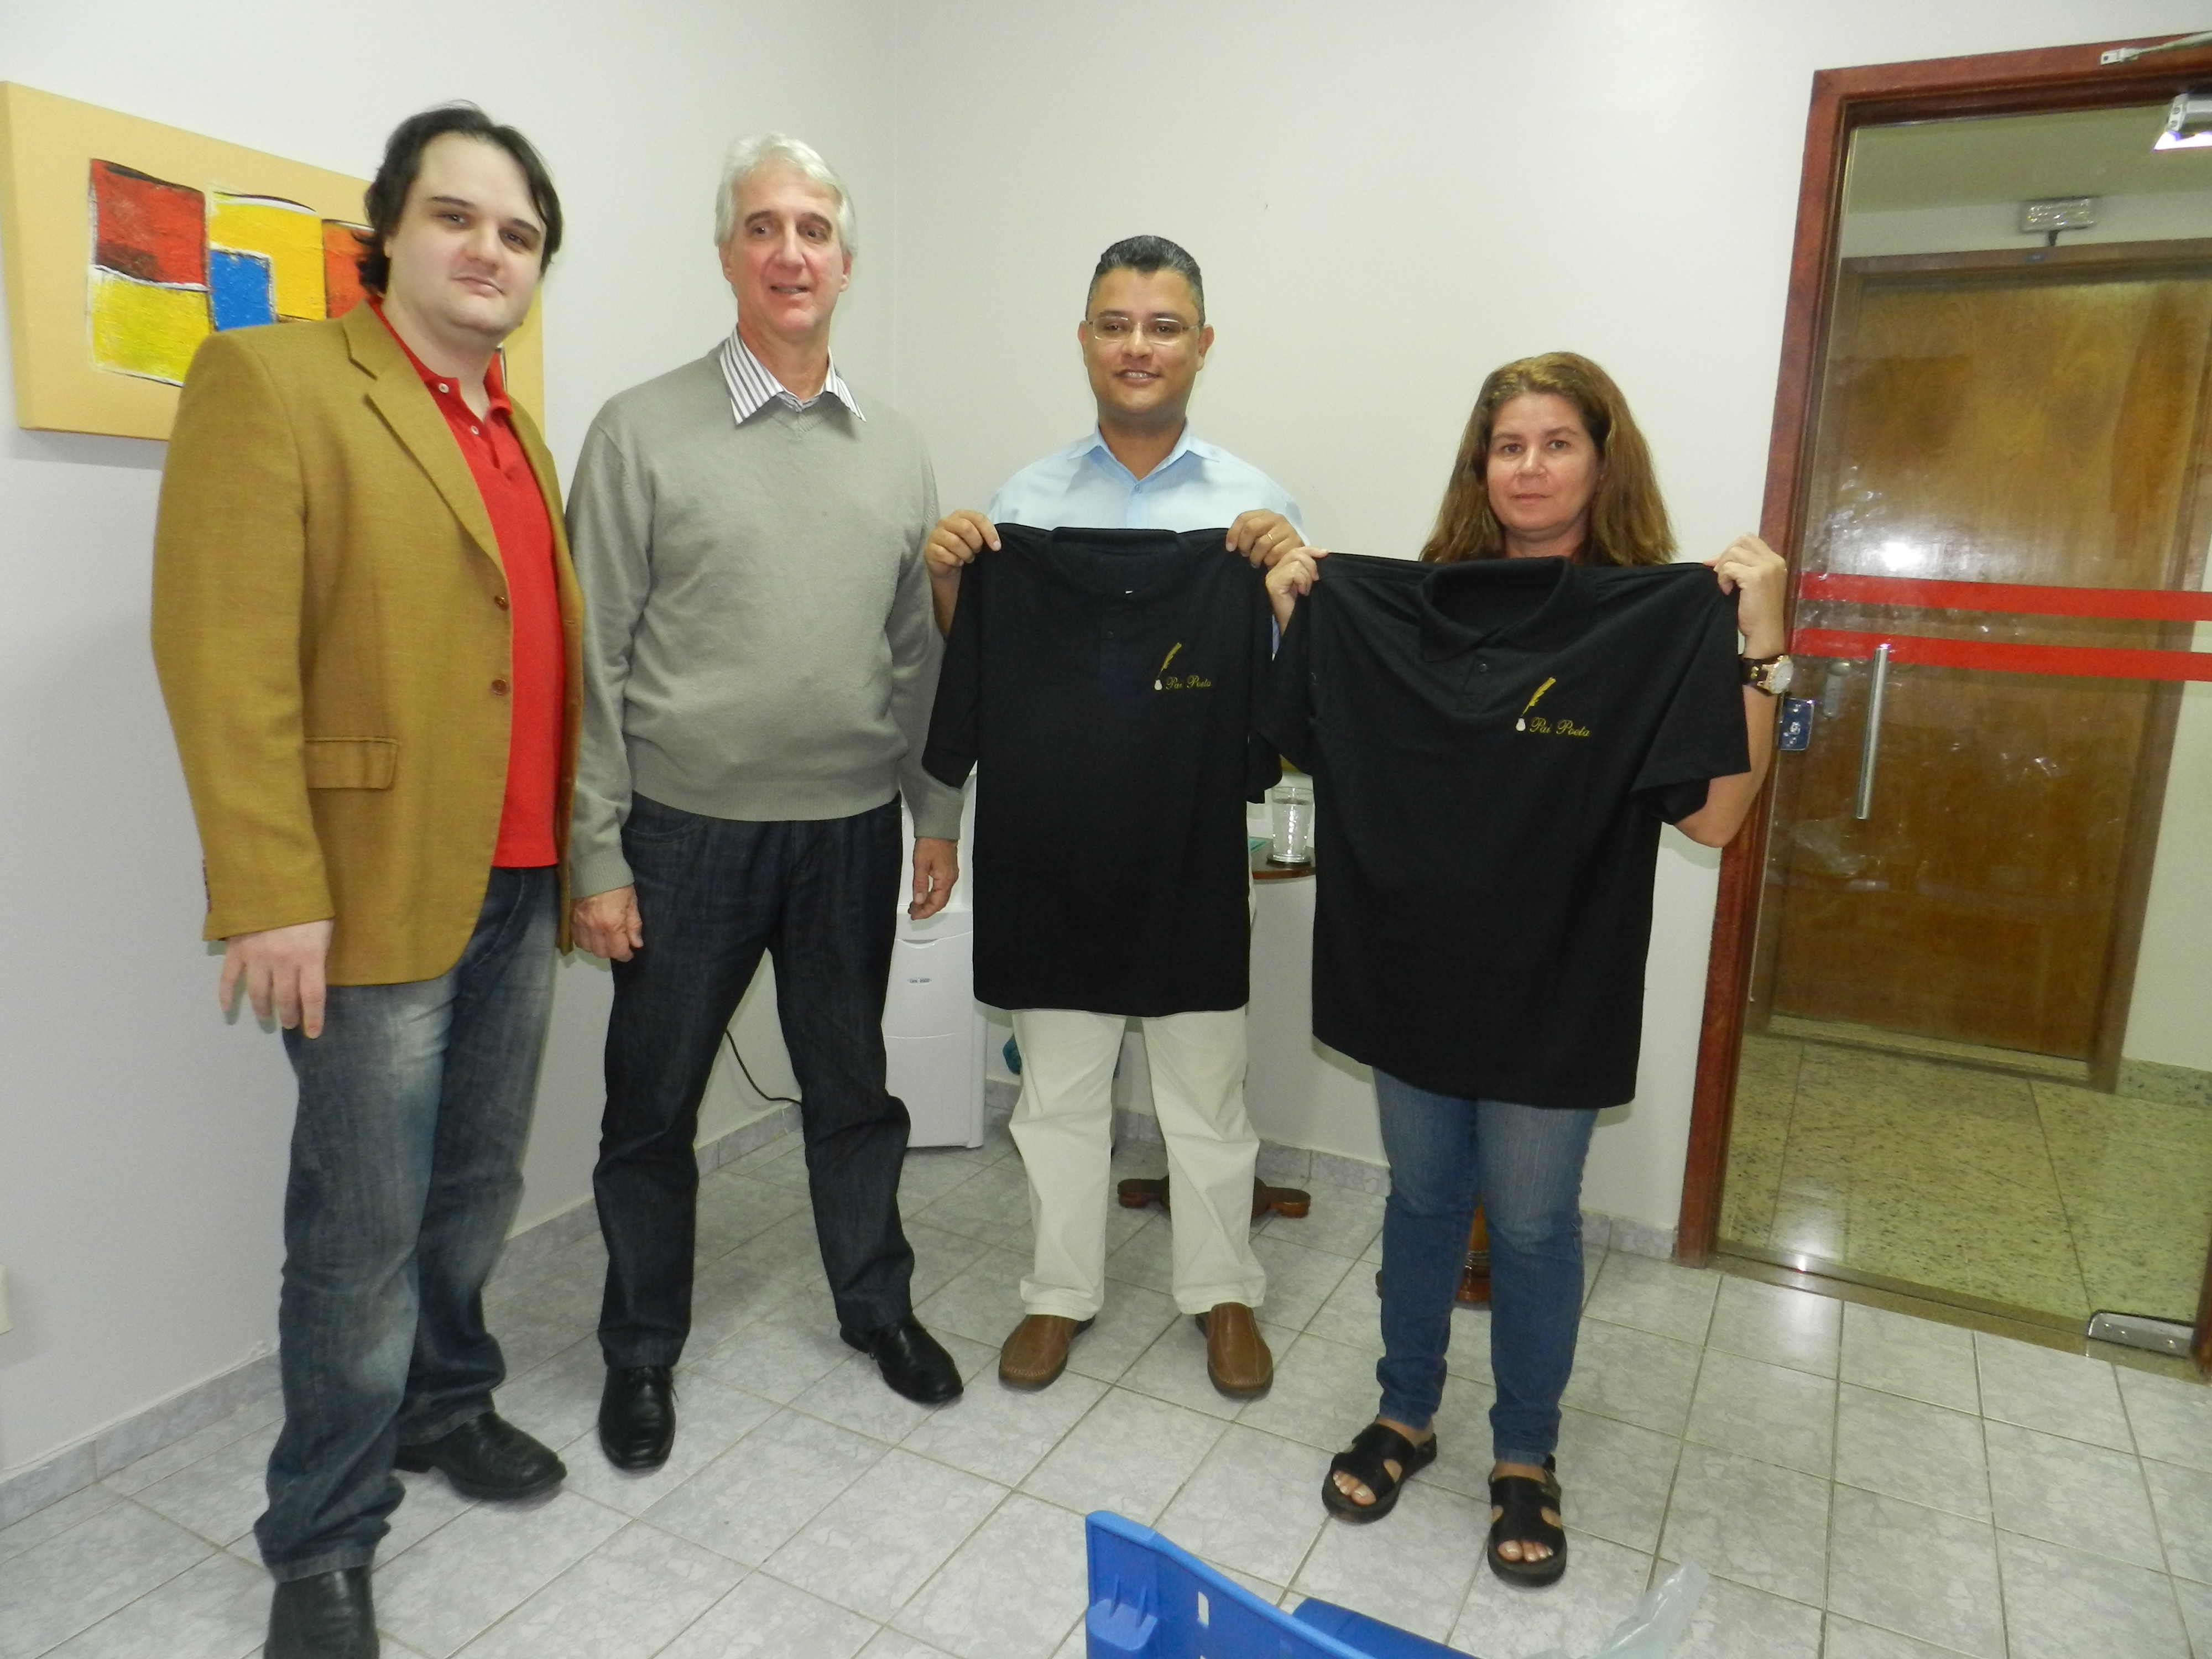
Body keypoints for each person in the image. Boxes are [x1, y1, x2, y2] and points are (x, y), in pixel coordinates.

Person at [152, 106, 577, 1659]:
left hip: (517, 879)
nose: (488, 251)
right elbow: (222, 649)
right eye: (456, 217)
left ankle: (444, 1407)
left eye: (519, 234)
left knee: (473, 1191)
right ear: (385, 232)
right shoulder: (272, 382)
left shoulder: (518, 430)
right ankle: (323, 1536)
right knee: (360, 1234)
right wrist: (270, 886)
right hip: (366, 890)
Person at [1264, 352, 1786, 1588]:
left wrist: (1762, 647)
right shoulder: (1411, 610)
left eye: (1557, 443)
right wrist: (1303, 618)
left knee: (1537, 1224)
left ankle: (1525, 1455)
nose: (1530, 467)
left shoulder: (1649, 622)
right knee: (1421, 1202)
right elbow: (1311, 739)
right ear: (1479, 467)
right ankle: (1405, 1414)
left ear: (1603, 463)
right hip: (1411, 966)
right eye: (1508, 445)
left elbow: (1716, 819)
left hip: (1561, 981)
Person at [567, 133, 964, 1474]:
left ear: (845, 262)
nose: (789, 253)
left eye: (813, 230)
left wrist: (933, 812)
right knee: (650, 1109)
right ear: (727, 254)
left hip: (847, 829)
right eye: (762, 228)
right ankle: (639, 1351)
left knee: (854, 1091)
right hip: (681, 836)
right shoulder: (638, 431)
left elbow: (914, 655)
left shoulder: (893, 448)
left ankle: (877, 1308)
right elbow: (589, 658)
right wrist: (594, 850)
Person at [924, 235, 1309, 1397]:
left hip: (1194, 850)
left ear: (1201, 343)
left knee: (1207, 1093)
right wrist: (952, 582)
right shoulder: (1020, 506)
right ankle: (1057, 1294)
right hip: (1051, 849)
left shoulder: (1256, 506)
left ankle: (1223, 1290)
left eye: (1162, 325)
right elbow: (981, 666)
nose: (1138, 346)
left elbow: (1295, 692)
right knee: (1055, 1098)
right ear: (1085, 340)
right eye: (1115, 323)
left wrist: (1286, 586)